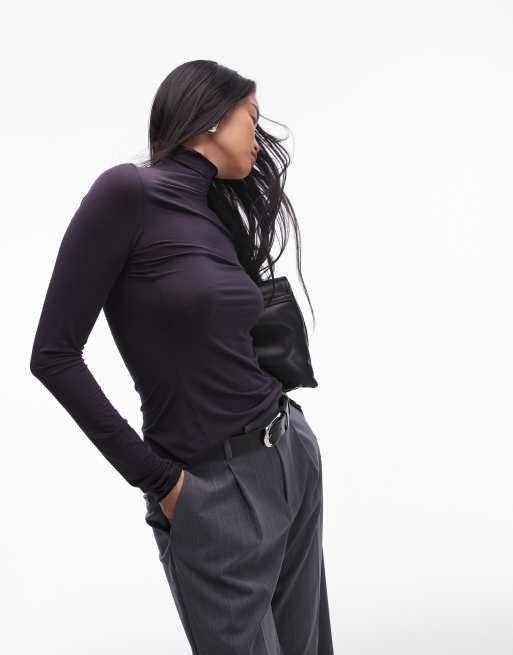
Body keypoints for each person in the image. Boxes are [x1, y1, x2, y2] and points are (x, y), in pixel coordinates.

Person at [29, 59, 334, 654]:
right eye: (251, 117)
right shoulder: (127, 194)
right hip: (209, 489)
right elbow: (53, 355)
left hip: (288, 455)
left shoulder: (214, 216)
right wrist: (162, 482)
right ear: (213, 117)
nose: (258, 135)